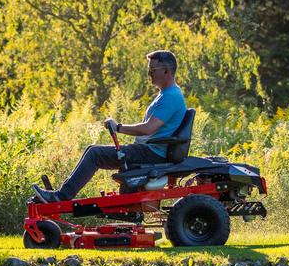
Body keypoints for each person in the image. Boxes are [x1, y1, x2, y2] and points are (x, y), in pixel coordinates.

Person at [32, 50, 187, 203]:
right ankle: (61, 194)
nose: (149, 74)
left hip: (152, 154)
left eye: (153, 70)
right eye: (149, 69)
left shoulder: (171, 97)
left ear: (166, 71)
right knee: (92, 150)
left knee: (95, 154)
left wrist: (118, 127)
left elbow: (148, 128)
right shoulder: (166, 94)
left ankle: (61, 197)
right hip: (148, 150)